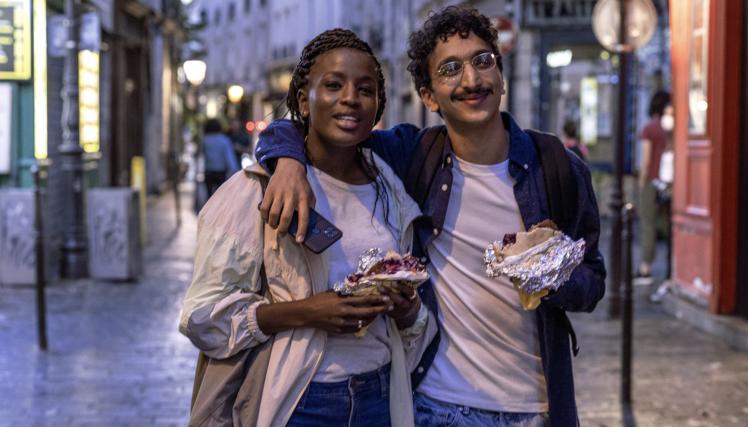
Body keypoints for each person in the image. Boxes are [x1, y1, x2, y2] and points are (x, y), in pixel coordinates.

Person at [255, 7, 606, 427]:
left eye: (483, 61)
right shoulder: (412, 156)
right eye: (450, 69)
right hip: (438, 405)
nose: (472, 80)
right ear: (428, 95)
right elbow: (319, 127)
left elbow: (593, 284)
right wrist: (289, 161)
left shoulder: (558, 167)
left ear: (502, 77)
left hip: (537, 407)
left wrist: (552, 273)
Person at [180, 29, 436, 426]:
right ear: (304, 99)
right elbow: (202, 317)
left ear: (378, 105)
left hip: (380, 398)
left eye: (365, 89)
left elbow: (407, 328)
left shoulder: (391, 188)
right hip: (300, 401)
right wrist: (306, 312)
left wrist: (406, 309)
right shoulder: (258, 189)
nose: (350, 97)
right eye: (333, 85)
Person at [637, 91, 672, 279]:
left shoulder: (649, 128)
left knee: (648, 224)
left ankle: (646, 266)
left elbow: (646, 160)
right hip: (671, 183)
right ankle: (672, 267)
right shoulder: (673, 129)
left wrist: (642, 182)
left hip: (652, 180)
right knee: (669, 225)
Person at [200, 118, 240, 197]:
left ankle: (209, 209)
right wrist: (235, 172)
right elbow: (229, 158)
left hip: (208, 171)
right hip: (221, 172)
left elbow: (202, 156)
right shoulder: (224, 140)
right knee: (220, 196)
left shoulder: (205, 140)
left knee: (209, 196)